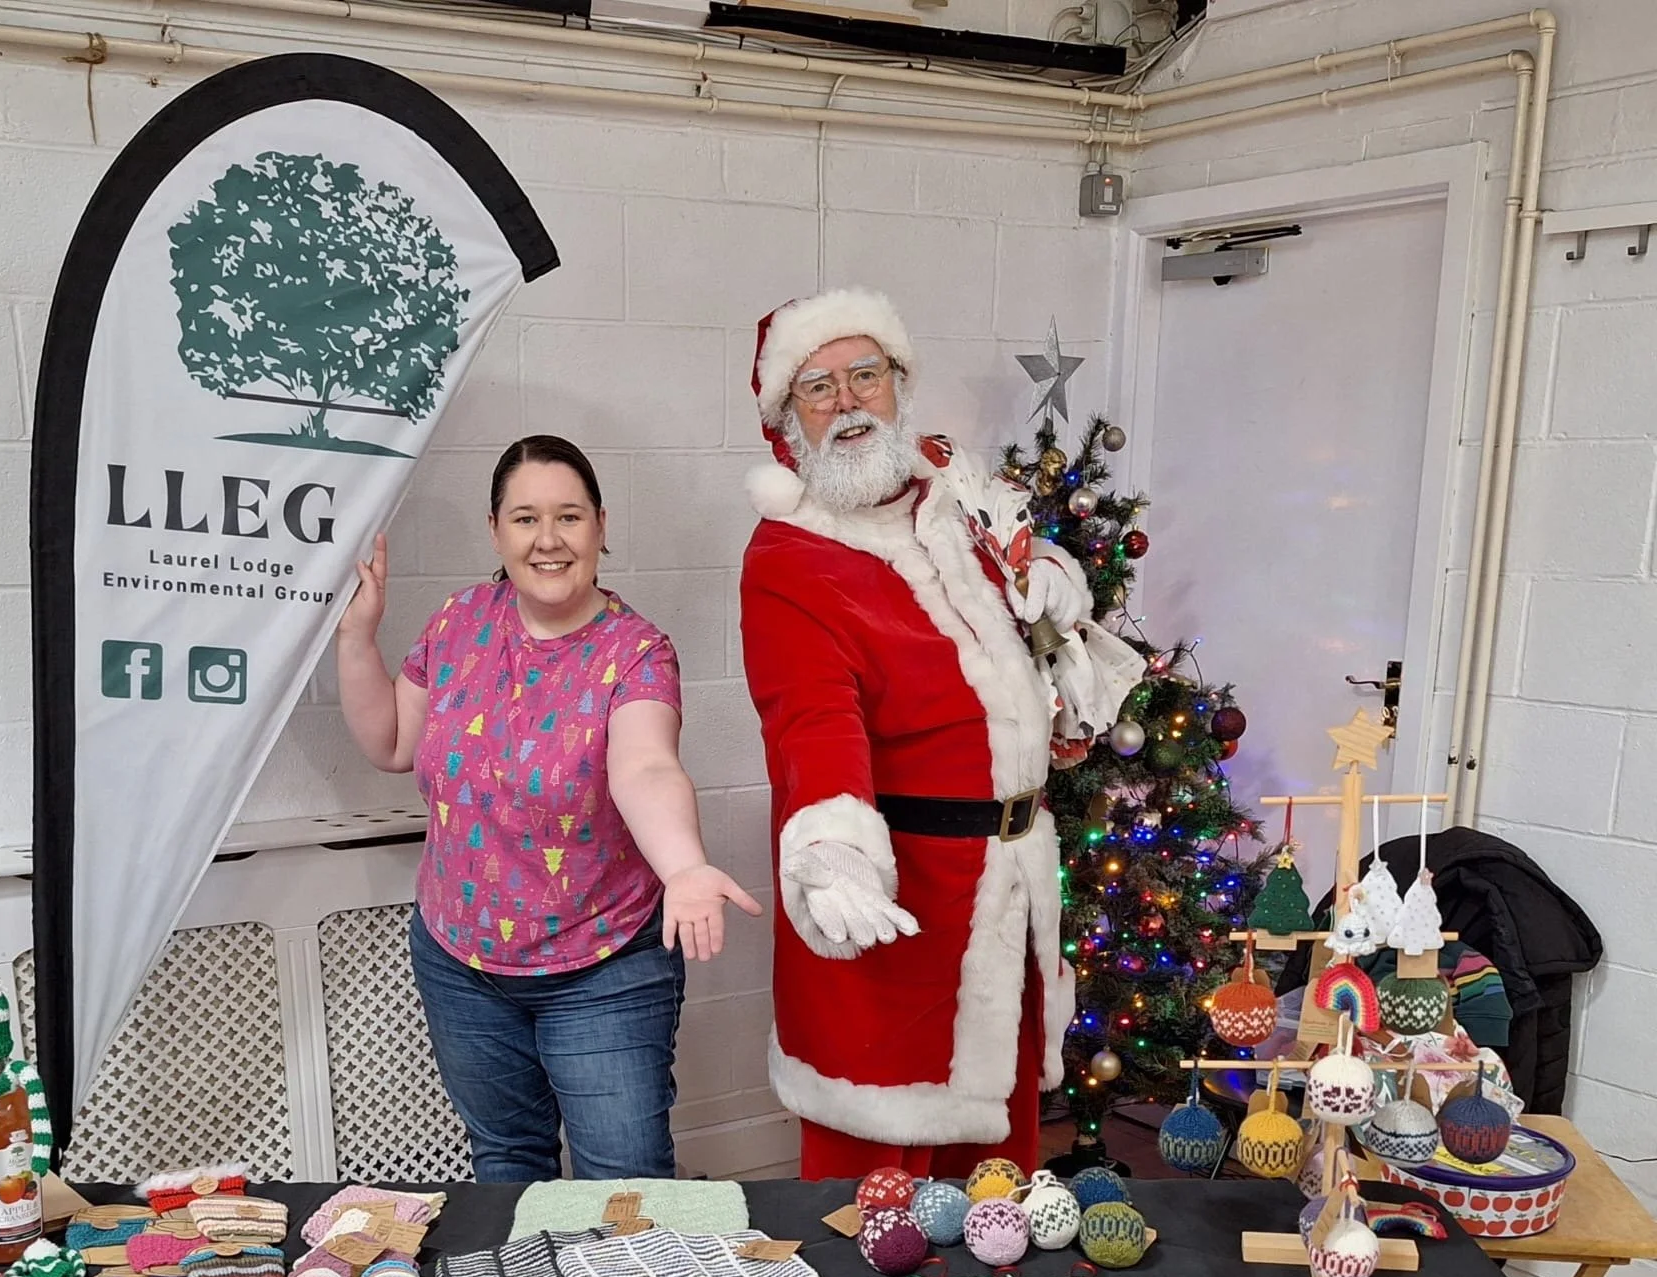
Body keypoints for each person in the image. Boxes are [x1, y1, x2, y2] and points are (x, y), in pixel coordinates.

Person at [738, 288, 1143, 1180]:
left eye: (865, 376)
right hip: (900, 913)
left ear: (898, 384)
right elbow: (810, 716)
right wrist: (833, 852)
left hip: (1010, 896)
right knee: (876, 1202)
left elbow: (1022, 620)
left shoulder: (960, 507)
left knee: (1001, 1195)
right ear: (787, 419)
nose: (847, 403)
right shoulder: (789, 560)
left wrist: (1058, 595)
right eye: (817, 387)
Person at [337, 434, 761, 1182]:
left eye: (568, 517)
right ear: (496, 529)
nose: (548, 539)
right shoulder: (459, 620)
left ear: (600, 524)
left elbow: (645, 765)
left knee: (622, 1181)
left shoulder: (635, 651)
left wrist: (686, 866)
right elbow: (394, 742)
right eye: (525, 518)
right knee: (507, 1162)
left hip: (604, 968)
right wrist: (356, 635)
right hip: (461, 962)